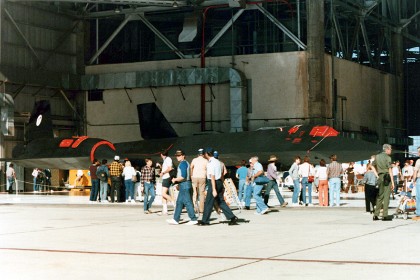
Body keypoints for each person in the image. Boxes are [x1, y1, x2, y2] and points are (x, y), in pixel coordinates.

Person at [198, 148, 239, 226]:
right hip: (219, 182)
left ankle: (205, 221)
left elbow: (212, 176)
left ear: (207, 154)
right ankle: (232, 217)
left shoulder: (210, 163)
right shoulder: (218, 162)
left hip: (213, 183)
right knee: (220, 201)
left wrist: (213, 189)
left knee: (208, 202)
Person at [167, 150, 198, 225]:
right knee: (179, 202)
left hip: (184, 184)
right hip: (185, 184)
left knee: (187, 202)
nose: (177, 157)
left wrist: (175, 180)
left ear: (183, 155)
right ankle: (176, 219)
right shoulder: (186, 163)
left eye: (179, 155)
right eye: (177, 155)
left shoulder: (183, 164)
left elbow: (183, 176)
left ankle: (193, 219)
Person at [372, 144, 394, 221]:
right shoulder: (388, 158)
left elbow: (372, 165)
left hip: (380, 177)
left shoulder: (377, 156)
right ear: (387, 149)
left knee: (380, 196)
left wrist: (377, 175)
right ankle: (385, 215)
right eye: (390, 149)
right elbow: (390, 170)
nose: (391, 150)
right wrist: (393, 183)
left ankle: (376, 214)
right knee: (386, 196)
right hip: (387, 177)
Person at [190, 148, 208, 213]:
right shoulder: (206, 161)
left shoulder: (194, 160)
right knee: (202, 194)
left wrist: (191, 175)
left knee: (195, 193)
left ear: (198, 154)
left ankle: (194, 208)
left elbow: (191, 167)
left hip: (194, 177)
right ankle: (201, 209)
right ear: (203, 154)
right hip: (202, 177)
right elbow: (207, 169)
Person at [158, 150, 175, 215]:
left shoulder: (168, 159)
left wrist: (163, 172)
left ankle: (174, 204)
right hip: (165, 177)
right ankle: (165, 210)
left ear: (161, 154)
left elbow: (170, 168)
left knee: (163, 193)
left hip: (167, 177)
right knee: (163, 195)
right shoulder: (165, 160)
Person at [410, 147, 420, 221]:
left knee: (419, 197)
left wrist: (413, 180)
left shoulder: (418, 161)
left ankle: (419, 213)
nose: (417, 153)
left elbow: (415, 172)